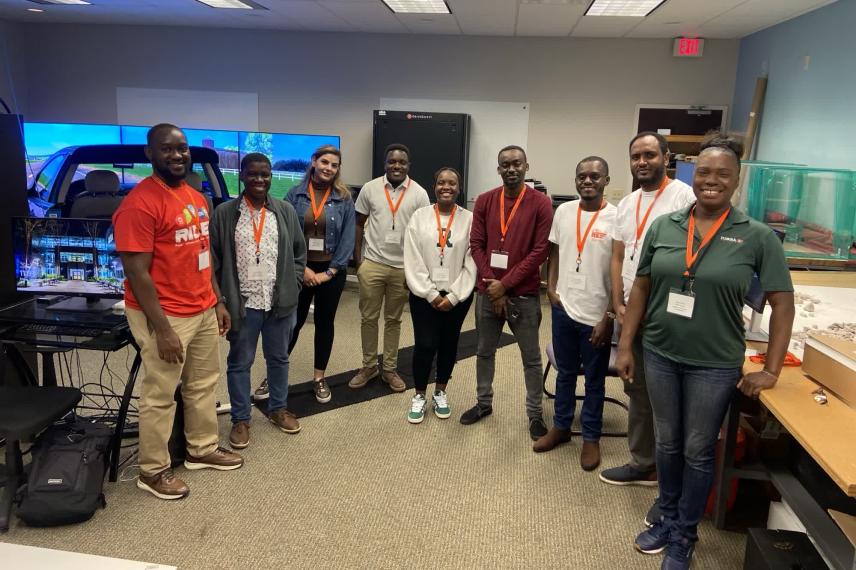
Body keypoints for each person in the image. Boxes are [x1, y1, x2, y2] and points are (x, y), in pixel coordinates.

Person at [617, 134, 794, 569]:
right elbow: (641, 287)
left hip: (713, 363)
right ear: (693, 176)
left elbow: (782, 302)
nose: (711, 181)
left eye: (723, 174)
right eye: (705, 173)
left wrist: (771, 369)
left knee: (697, 449)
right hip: (659, 351)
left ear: (736, 181)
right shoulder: (667, 225)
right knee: (668, 442)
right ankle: (668, 511)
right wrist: (626, 344)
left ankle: (683, 534)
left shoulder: (755, 237)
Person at [113, 123, 243, 500]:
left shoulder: (195, 197)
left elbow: (203, 257)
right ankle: (152, 471)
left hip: (201, 307)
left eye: (182, 148)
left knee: (203, 383)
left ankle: (201, 449)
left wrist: (216, 300)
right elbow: (136, 273)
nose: (177, 155)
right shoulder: (139, 204)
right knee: (160, 392)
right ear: (149, 154)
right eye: (167, 149)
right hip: (165, 315)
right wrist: (163, 329)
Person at [600, 132, 696, 490]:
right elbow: (617, 256)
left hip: (665, 312)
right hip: (630, 311)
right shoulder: (627, 204)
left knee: (668, 391)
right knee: (636, 388)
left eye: (650, 155)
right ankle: (643, 464)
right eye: (636, 156)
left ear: (666, 157)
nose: (642, 162)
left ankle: (671, 467)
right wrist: (618, 303)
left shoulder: (684, 198)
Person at [210, 152, 306, 450]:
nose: (260, 180)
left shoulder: (285, 210)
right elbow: (213, 262)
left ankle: (278, 408)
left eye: (265, 174)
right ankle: (241, 419)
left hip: (279, 302)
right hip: (243, 303)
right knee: (240, 362)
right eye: (253, 174)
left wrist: (294, 283)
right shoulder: (225, 213)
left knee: (279, 358)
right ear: (242, 175)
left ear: (271, 177)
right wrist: (220, 302)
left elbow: (299, 254)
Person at [461, 145, 553, 440]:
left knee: (531, 357)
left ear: (526, 166)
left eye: (516, 163)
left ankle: (535, 414)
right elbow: (476, 245)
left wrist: (506, 284)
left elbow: (541, 251)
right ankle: (483, 403)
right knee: (484, 351)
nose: (511, 168)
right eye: (505, 164)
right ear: (498, 168)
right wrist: (493, 284)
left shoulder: (541, 203)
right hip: (488, 293)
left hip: (523, 295)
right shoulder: (486, 201)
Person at [252, 145, 355, 404]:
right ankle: (275, 376)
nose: (329, 168)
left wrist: (330, 272)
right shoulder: (294, 195)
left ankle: (319, 378)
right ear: (314, 162)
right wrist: (303, 269)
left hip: (332, 271)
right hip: (300, 269)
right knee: (291, 324)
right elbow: (284, 235)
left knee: (324, 323)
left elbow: (348, 238)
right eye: (325, 162)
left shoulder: (344, 198)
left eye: (334, 165)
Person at [534, 157, 616, 472]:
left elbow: (618, 271)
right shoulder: (564, 212)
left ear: (606, 180)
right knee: (565, 373)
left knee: (594, 380)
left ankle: (591, 437)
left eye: (595, 176)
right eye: (582, 176)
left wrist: (608, 315)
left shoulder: (616, 217)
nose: (587, 181)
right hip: (564, 308)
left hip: (596, 314)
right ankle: (562, 427)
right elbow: (554, 252)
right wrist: (551, 288)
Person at [350, 144, 430, 391]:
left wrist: (415, 271)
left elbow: (424, 235)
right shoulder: (370, 189)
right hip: (372, 264)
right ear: (385, 164)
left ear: (408, 165)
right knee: (369, 318)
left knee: (394, 320)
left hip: (401, 268)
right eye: (392, 162)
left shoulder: (419, 193)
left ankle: (390, 369)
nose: (397, 166)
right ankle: (368, 365)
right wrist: (358, 263)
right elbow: (358, 225)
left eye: (402, 162)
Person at [403, 167, 476, 423]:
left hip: (458, 296)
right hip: (424, 295)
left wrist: (454, 296)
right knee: (424, 344)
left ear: (459, 187)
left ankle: (440, 391)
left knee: (448, 344)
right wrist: (431, 293)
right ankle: (420, 395)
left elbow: (472, 261)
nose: (447, 187)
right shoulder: (419, 217)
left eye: (452, 183)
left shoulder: (470, 219)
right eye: (442, 182)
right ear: (434, 186)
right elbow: (412, 259)